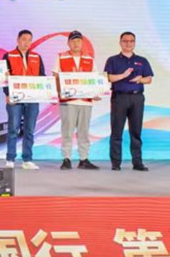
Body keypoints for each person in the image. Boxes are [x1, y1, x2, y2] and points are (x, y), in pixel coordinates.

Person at [104, 31, 153, 171]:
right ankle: (116, 163)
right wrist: (123, 75)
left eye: (131, 41)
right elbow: (108, 78)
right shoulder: (113, 60)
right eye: (125, 41)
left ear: (134, 43)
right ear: (120, 43)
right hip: (119, 98)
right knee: (116, 131)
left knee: (136, 131)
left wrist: (140, 79)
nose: (128, 43)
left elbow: (149, 79)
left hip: (137, 98)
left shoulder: (142, 60)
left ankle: (137, 163)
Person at [53, 30, 99, 170]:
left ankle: (83, 159)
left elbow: (95, 79)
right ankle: (66, 158)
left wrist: (96, 92)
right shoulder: (61, 57)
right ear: (68, 43)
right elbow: (56, 77)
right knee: (67, 131)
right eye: (73, 41)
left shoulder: (89, 59)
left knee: (84, 131)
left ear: (82, 43)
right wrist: (58, 93)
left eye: (78, 40)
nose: (76, 43)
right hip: (68, 101)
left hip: (85, 101)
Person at [2, 30, 46, 170]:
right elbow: (4, 77)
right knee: (13, 129)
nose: (26, 42)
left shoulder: (36, 57)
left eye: (29, 40)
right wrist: (7, 94)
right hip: (15, 99)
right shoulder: (8, 56)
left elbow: (42, 76)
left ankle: (27, 159)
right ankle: (10, 159)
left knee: (29, 130)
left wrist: (46, 92)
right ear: (18, 40)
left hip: (32, 98)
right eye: (24, 39)